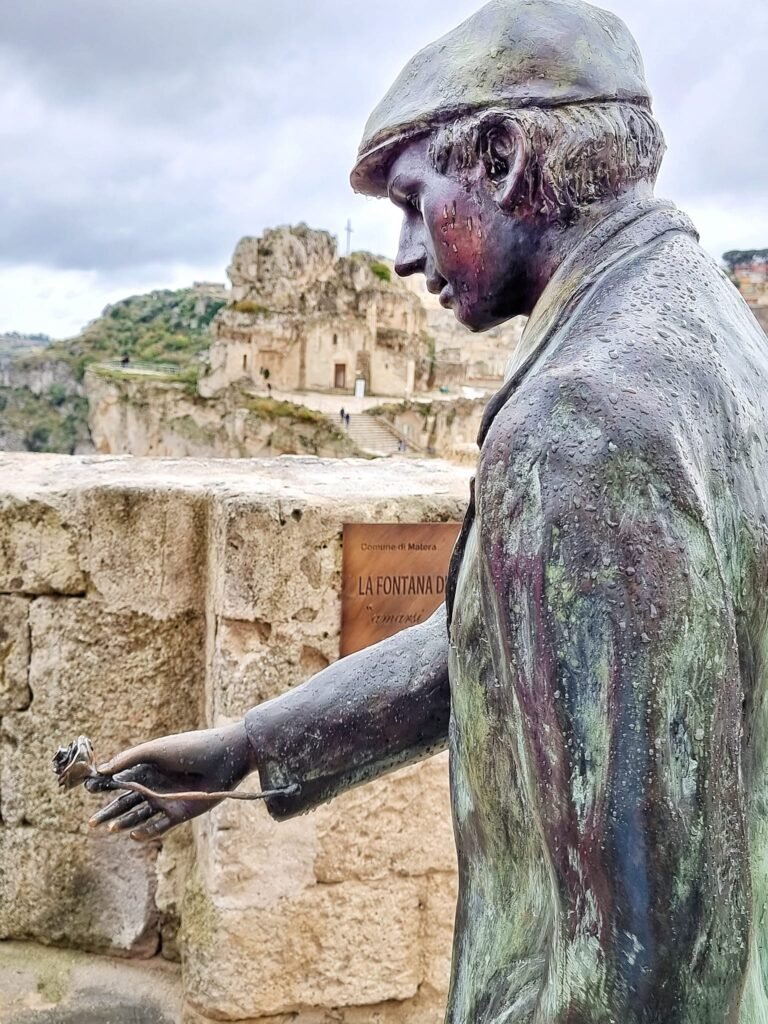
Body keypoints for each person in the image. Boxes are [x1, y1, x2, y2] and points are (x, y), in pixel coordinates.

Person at [87, 1, 768, 1019]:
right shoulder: (711, 325)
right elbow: (509, 635)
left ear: (498, 157)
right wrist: (256, 742)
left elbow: (643, 957)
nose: (405, 254)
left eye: (415, 200)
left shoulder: (584, 418)